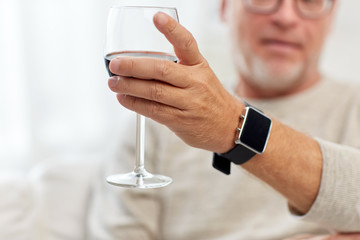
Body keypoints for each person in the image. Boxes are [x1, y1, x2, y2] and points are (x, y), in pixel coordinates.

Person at [87, 0, 360, 239]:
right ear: (224, 6)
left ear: (331, 14)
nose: (286, 17)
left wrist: (233, 124)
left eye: (310, 0)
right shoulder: (153, 126)